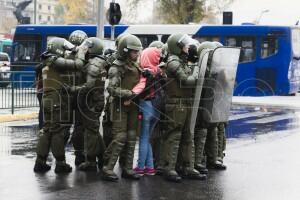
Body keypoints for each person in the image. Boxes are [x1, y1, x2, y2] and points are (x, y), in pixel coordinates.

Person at [33, 37, 87, 173]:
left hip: (47, 98)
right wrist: (81, 51)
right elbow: (78, 65)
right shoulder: (55, 60)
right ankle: (60, 163)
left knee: (47, 130)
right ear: (58, 49)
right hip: (56, 100)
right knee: (57, 131)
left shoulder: (46, 60)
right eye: (63, 49)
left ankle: (40, 162)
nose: (65, 52)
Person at [161, 33, 205, 182]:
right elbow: (187, 81)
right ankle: (169, 168)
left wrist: (193, 65)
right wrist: (198, 68)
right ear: (177, 47)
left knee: (187, 135)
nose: (188, 47)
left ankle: (187, 166)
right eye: (185, 45)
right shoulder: (173, 62)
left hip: (185, 102)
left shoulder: (182, 60)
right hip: (176, 103)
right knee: (174, 135)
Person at [101, 34, 143, 182]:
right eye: (134, 51)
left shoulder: (136, 66)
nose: (137, 54)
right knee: (120, 137)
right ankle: (107, 168)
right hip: (119, 105)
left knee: (132, 137)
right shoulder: (116, 67)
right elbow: (112, 89)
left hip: (132, 105)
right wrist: (129, 94)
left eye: (138, 51)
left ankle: (128, 168)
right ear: (125, 51)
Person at [68, 37, 107, 171]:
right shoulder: (98, 61)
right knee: (94, 131)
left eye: (86, 47)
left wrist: (73, 89)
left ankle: (91, 161)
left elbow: (89, 85)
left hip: (91, 102)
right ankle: (103, 158)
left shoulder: (93, 64)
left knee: (91, 132)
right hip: (94, 100)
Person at [133, 47, 162, 176]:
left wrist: (129, 96)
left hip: (146, 106)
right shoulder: (159, 70)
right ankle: (150, 167)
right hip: (157, 108)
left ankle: (140, 167)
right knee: (147, 138)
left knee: (143, 138)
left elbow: (139, 88)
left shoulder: (146, 72)